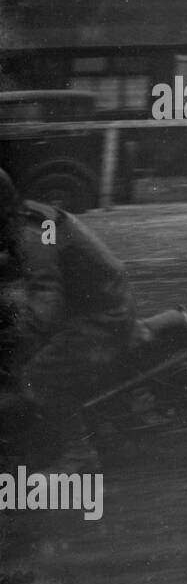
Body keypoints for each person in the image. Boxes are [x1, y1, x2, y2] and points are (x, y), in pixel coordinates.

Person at [0, 167, 137, 459]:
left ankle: (80, 454)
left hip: (103, 313)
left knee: (35, 377)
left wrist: (14, 338)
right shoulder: (18, 218)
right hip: (81, 301)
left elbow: (47, 297)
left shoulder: (33, 234)